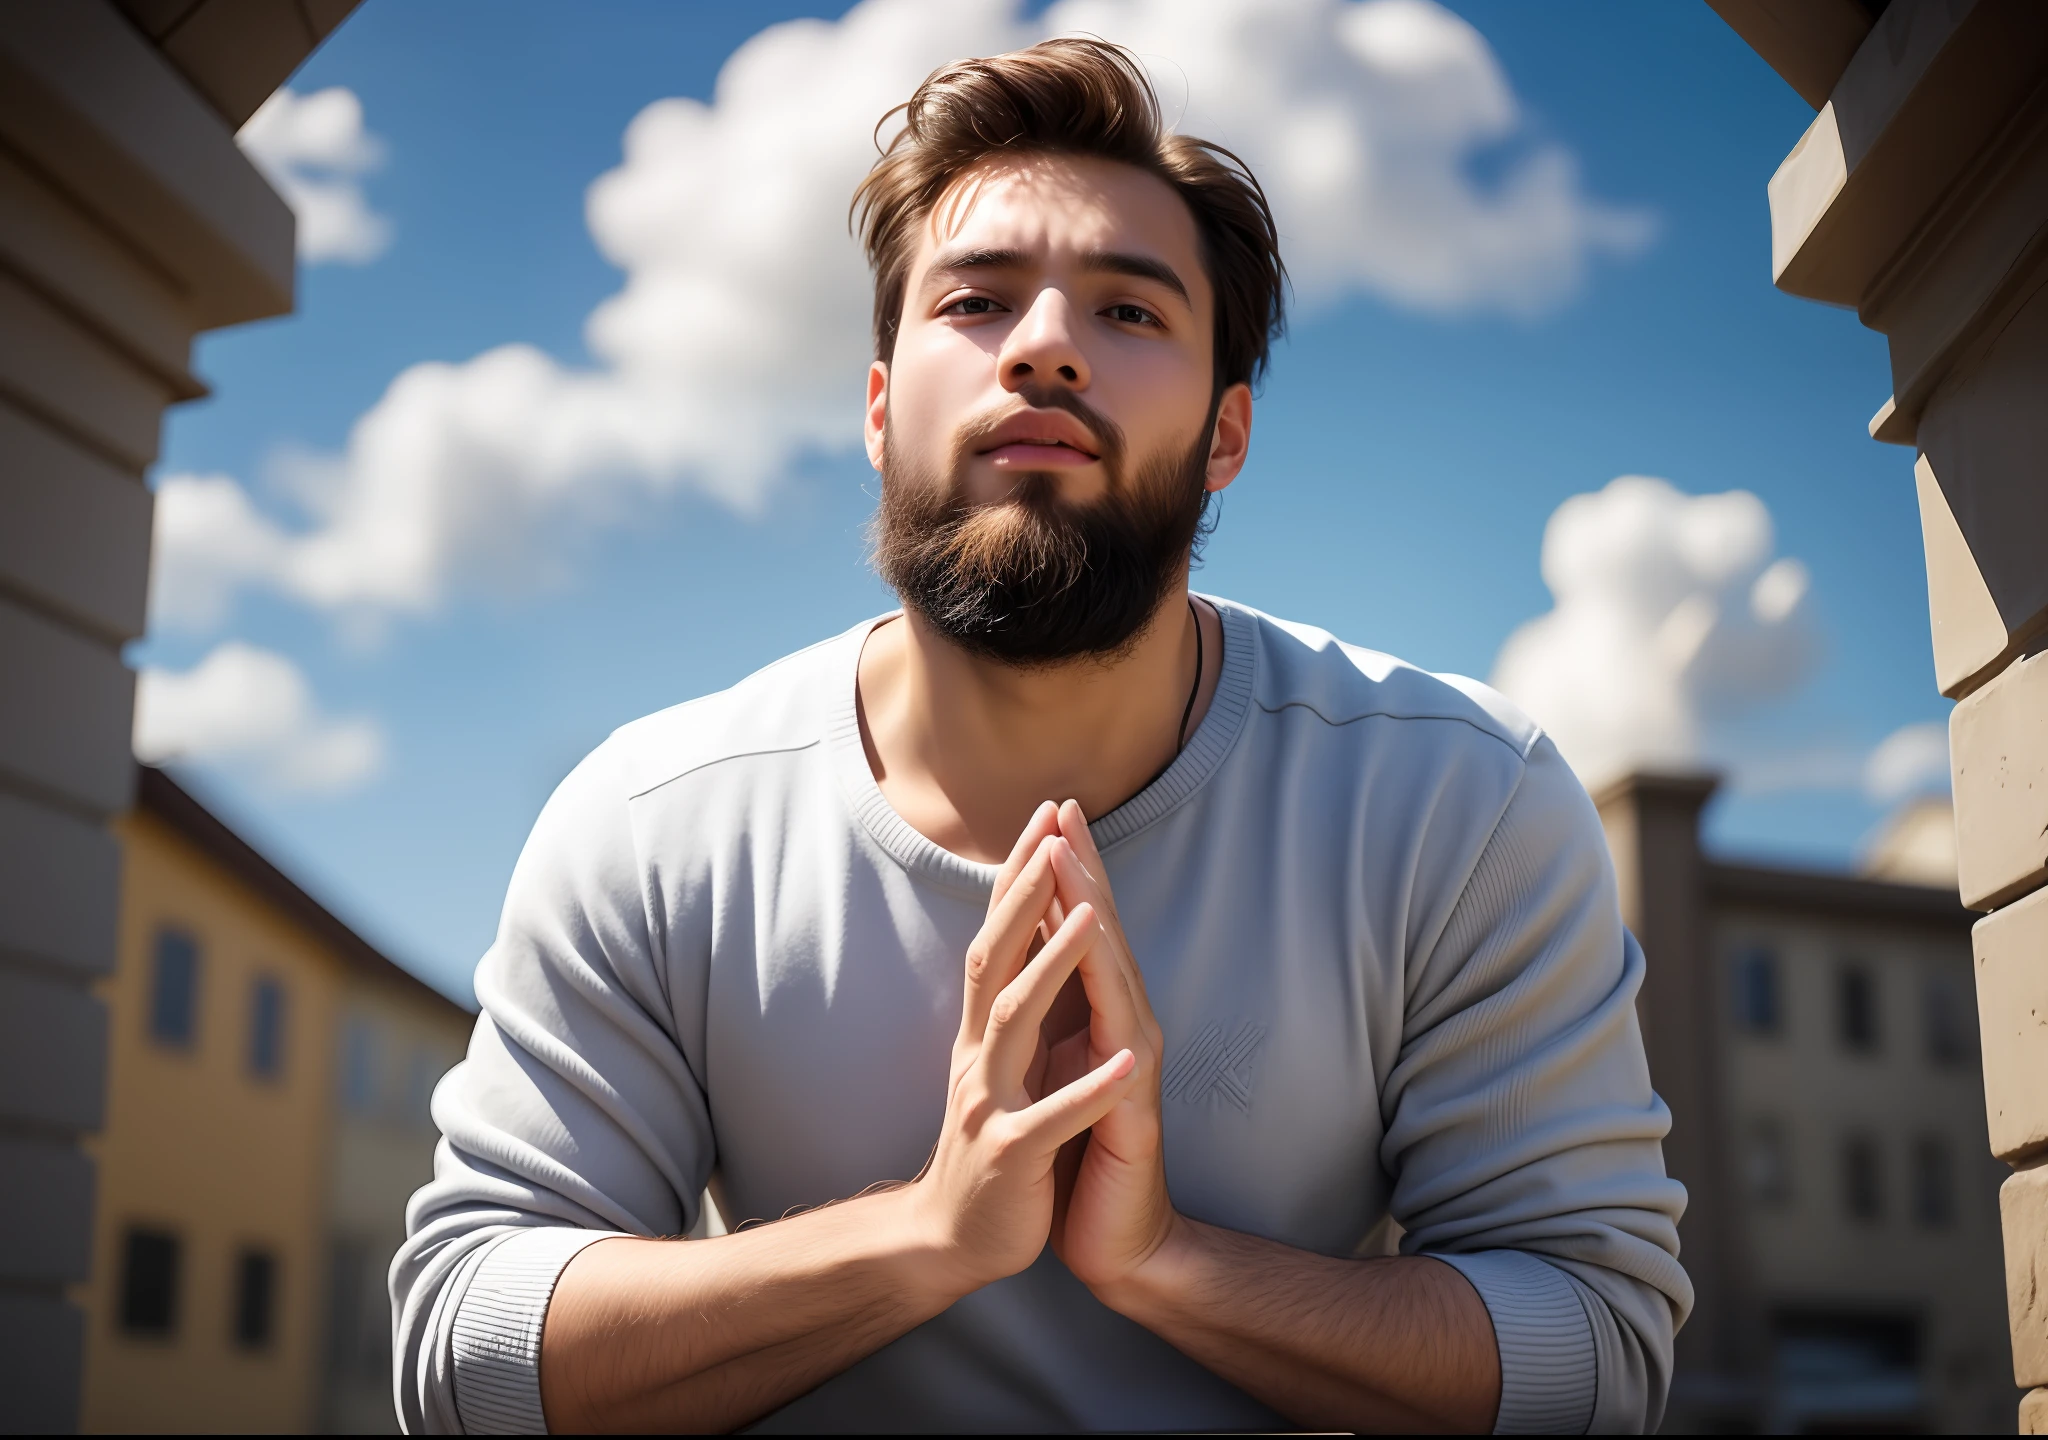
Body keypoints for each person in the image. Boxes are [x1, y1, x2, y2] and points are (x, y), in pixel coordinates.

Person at [394, 38, 1690, 1435]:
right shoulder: (652, 824)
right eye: (976, 300)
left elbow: (1598, 1358)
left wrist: (1167, 1263)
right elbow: (467, 1357)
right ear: (882, 412)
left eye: (1130, 311)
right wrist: (928, 1235)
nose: (1045, 343)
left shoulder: (1461, 803)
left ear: (1225, 434)